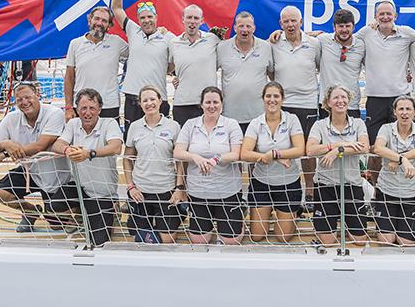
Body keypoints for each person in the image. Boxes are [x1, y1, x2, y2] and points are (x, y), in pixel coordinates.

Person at [0, 83, 70, 232]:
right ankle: (30, 212)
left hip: (55, 177)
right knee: (1, 194)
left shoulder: (54, 114)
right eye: (19, 100)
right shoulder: (12, 118)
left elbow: (39, 146)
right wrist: (6, 143)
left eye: (28, 97)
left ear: (38, 95)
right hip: (31, 171)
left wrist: (4, 153)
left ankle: (73, 212)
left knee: (57, 224)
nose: (24, 102)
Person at [355, 1, 415, 185]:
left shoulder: (406, 33)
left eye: (388, 14)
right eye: (381, 14)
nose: (385, 17)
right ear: (375, 17)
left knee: (401, 146)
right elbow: (342, 39)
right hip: (375, 100)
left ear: (395, 16)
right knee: (376, 148)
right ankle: (376, 190)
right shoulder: (366, 33)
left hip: (400, 99)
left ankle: (401, 188)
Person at [52, 89, 124, 246]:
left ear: (99, 109)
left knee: (100, 241)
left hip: (102, 192)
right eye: (83, 108)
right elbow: (57, 144)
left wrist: (89, 153)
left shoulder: (109, 123)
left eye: (92, 108)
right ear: (77, 110)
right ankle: (79, 212)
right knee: (54, 204)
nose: (87, 112)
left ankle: (113, 208)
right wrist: (67, 149)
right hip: (80, 186)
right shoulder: (73, 123)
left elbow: (116, 147)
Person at [173, 86, 244, 244]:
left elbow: (236, 154)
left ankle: (238, 219)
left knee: (231, 242)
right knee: (199, 242)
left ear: (222, 104)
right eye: (208, 102)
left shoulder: (231, 124)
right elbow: (177, 152)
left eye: (216, 102)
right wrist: (195, 157)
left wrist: (215, 159)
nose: (212, 106)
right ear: (201, 104)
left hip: (227, 192)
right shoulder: (191, 125)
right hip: (199, 192)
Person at [240, 82, 305, 242]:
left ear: (282, 99)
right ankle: (268, 211)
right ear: (263, 99)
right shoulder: (256, 123)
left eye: (276, 96)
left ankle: (291, 213)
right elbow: (244, 153)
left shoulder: (292, 120)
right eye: (268, 96)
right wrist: (265, 157)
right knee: (256, 236)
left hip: (288, 183)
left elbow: (300, 149)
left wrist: (275, 154)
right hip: (261, 183)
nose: (272, 100)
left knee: (283, 237)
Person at [306, 85, 370, 246]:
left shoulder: (358, 124)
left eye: (343, 97)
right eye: (336, 97)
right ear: (328, 102)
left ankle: (347, 224)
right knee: (327, 242)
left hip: (351, 185)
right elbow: (311, 150)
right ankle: (333, 226)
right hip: (325, 185)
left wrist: (338, 151)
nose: (340, 101)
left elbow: (364, 146)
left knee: (359, 241)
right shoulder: (320, 125)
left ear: (348, 100)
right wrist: (336, 145)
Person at [271, 5, 321, 205]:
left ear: (301, 22)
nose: (290, 25)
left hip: (307, 103)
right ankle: (281, 189)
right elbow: (270, 72)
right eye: (286, 21)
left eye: (294, 21)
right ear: (281, 24)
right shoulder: (273, 44)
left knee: (308, 150)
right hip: (282, 104)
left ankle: (309, 190)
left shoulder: (314, 44)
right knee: (283, 147)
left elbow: (319, 66)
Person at [123, 85, 186, 244]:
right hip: (141, 191)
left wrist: (179, 188)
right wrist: (131, 186)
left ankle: (180, 211)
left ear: (160, 101)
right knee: (139, 237)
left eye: (152, 99)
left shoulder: (173, 126)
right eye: (145, 100)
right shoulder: (135, 127)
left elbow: (180, 161)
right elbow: (127, 158)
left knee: (167, 240)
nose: (149, 103)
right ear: (140, 104)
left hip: (166, 190)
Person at [112, 0, 171, 136]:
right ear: (138, 20)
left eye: (149, 16)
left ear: (156, 17)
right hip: (133, 97)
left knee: (160, 141)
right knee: (131, 142)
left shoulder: (166, 38)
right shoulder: (132, 30)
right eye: (143, 17)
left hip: (159, 99)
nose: (146, 20)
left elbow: (174, 64)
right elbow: (116, 8)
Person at [372, 96, 415, 245]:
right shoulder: (386, 128)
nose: (404, 113)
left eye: (408, 109)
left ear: (414, 112)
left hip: (412, 193)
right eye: (401, 109)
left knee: (405, 242)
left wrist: (400, 157)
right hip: (387, 191)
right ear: (395, 112)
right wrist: (402, 160)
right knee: (387, 241)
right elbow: (378, 148)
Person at [63, 6, 129, 122]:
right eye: (96, 19)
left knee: (109, 139)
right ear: (90, 20)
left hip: (109, 105)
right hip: (81, 105)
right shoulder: (75, 44)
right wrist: (68, 107)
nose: (99, 23)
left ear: (109, 25)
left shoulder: (117, 42)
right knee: (80, 140)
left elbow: (139, 51)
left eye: (104, 21)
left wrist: (158, 35)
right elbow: (69, 77)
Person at [217, 11, 274, 133]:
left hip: (259, 116)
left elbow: (274, 75)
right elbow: (207, 70)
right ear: (234, 28)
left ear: (254, 28)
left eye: (248, 26)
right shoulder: (222, 48)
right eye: (241, 26)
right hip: (230, 117)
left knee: (256, 152)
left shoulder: (266, 47)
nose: (245, 30)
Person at [168, 5, 220, 127]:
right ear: (183, 19)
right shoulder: (173, 43)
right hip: (182, 104)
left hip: (208, 104)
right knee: (183, 144)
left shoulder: (213, 39)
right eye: (189, 17)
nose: (192, 21)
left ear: (202, 21)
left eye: (196, 18)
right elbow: (168, 67)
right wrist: (176, 77)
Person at [317, 9, 364, 119]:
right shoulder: (323, 40)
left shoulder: (361, 45)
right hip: (327, 104)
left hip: (350, 105)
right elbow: (301, 37)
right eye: (340, 26)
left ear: (353, 27)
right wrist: (280, 32)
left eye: (347, 26)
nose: (344, 30)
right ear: (334, 27)